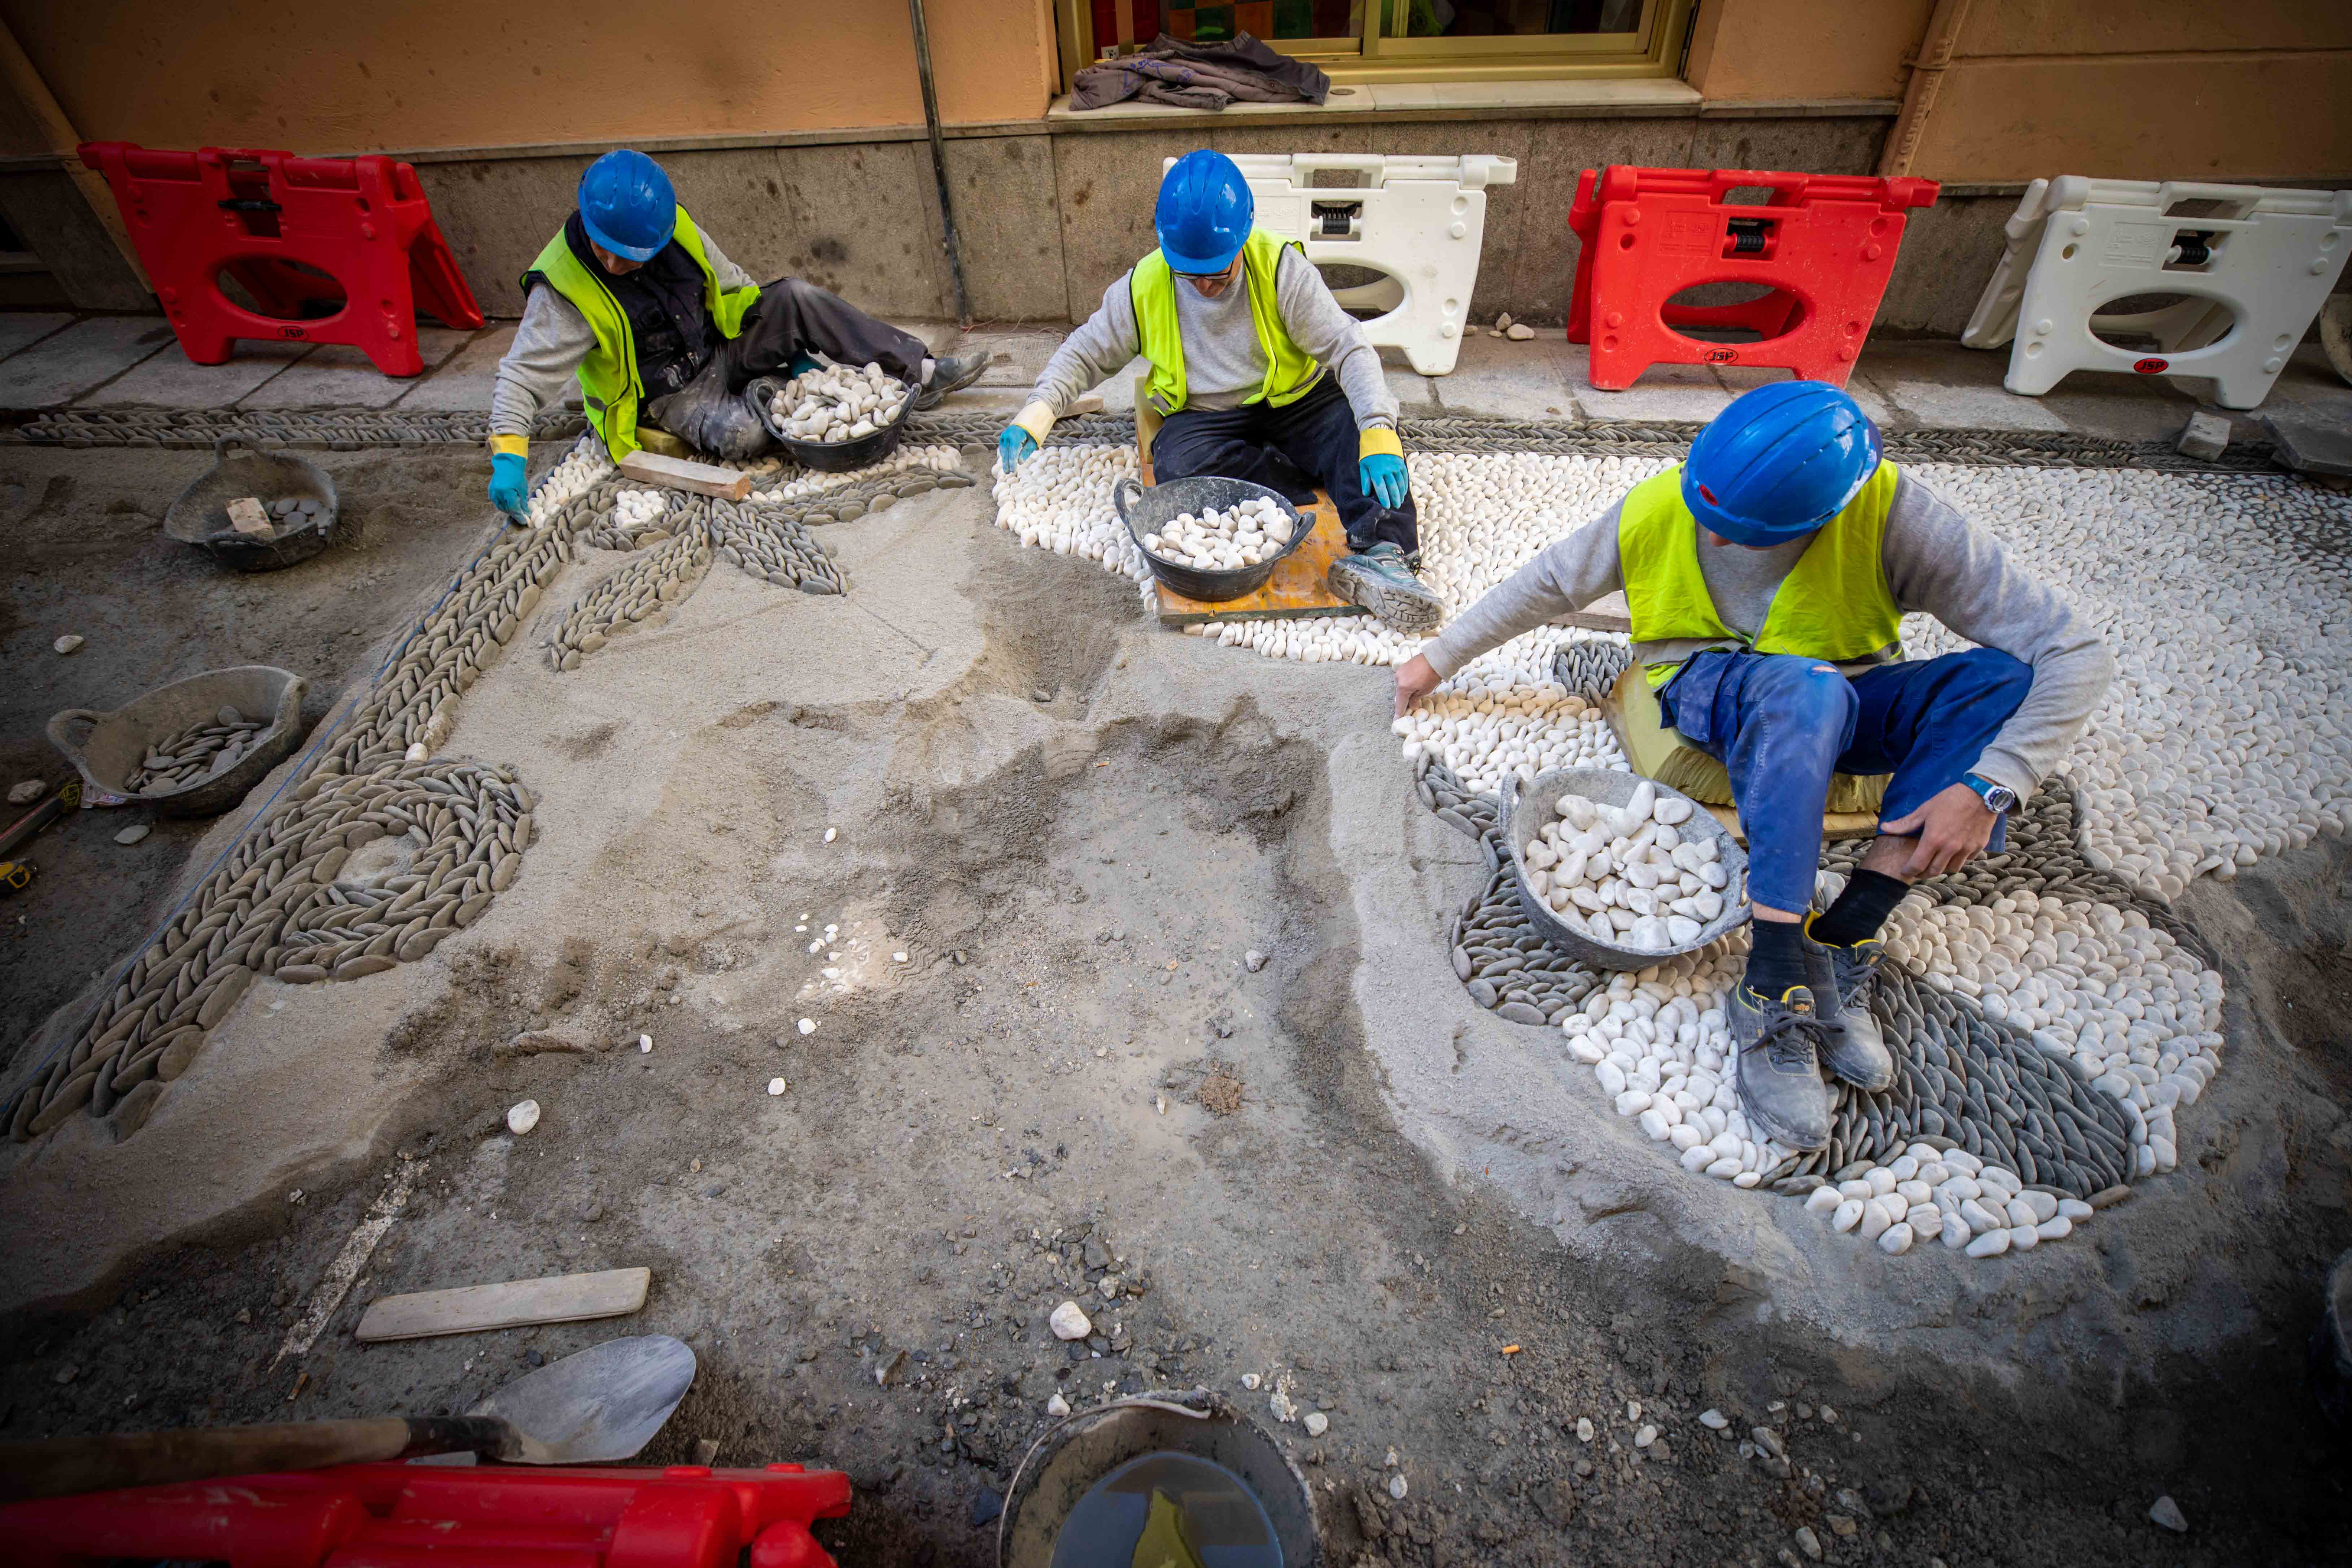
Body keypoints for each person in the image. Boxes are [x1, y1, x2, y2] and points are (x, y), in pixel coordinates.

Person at [1393, 382, 2113, 1150]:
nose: (1720, 541)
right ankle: (1771, 979)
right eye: (1711, 519)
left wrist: (1992, 782)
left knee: (2003, 683)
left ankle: (1840, 938)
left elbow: (2073, 651)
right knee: (1802, 690)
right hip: (1714, 688)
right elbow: (1545, 583)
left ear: (1826, 511)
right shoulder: (1665, 501)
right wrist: (1434, 662)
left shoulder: (1894, 514)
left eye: (1747, 533)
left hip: (1849, 692)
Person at [995, 149, 1444, 632]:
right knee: (1178, 466)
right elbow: (1085, 352)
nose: (1206, 287)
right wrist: (1037, 413)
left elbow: (1349, 348)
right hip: (1205, 415)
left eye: (1218, 273)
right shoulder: (1143, 286)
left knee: (1360, 438)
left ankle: (1385, 557)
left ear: (1243, 237)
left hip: (1298, 400)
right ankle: (1296, 482)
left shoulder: (1279, 270)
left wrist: (1377, 430)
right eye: (1191, 275)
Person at [486, 148, 989, 520]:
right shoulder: (563, 288)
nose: (614, 262)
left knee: (795, 295)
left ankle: (921, 371)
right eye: (604, 250)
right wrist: (509, 457)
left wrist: (785, 341)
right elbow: (521, 377)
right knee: (743, 436)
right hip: (670, 392)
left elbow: (735, 287)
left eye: (630, 254)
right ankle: (764, 392)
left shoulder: (673, 228)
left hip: (718, 344)